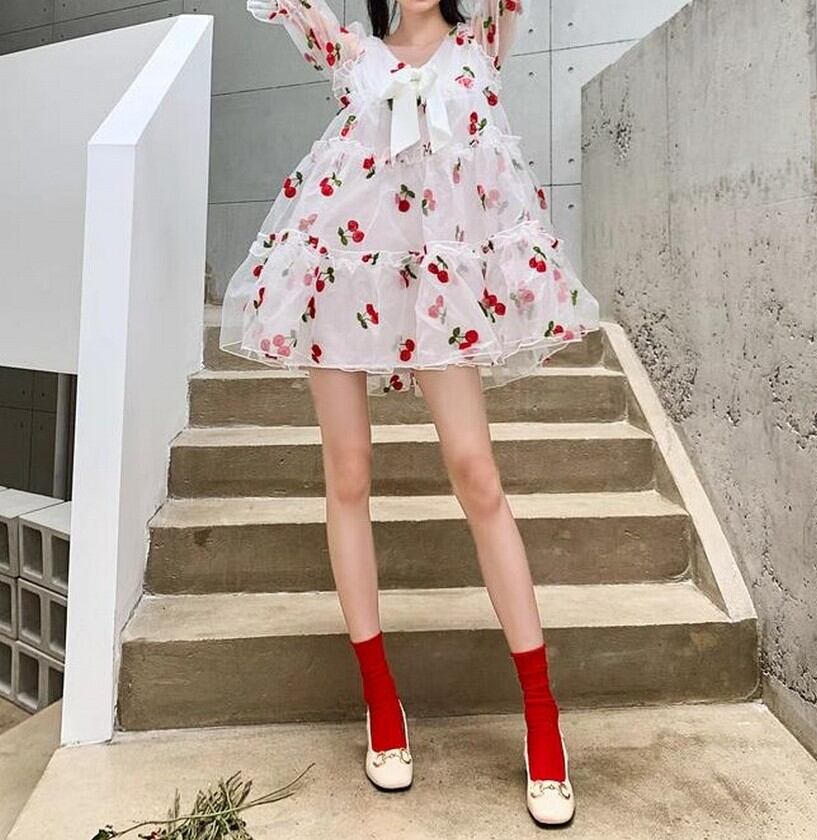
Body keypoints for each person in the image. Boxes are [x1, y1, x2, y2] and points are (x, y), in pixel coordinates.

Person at [221, 0, 601, 826]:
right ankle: (381, 700)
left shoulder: (482, 40)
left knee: (477, 473)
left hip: (439, 287)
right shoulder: (350, 53)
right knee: (348, 473)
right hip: (341, 273)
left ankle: (542, 716)